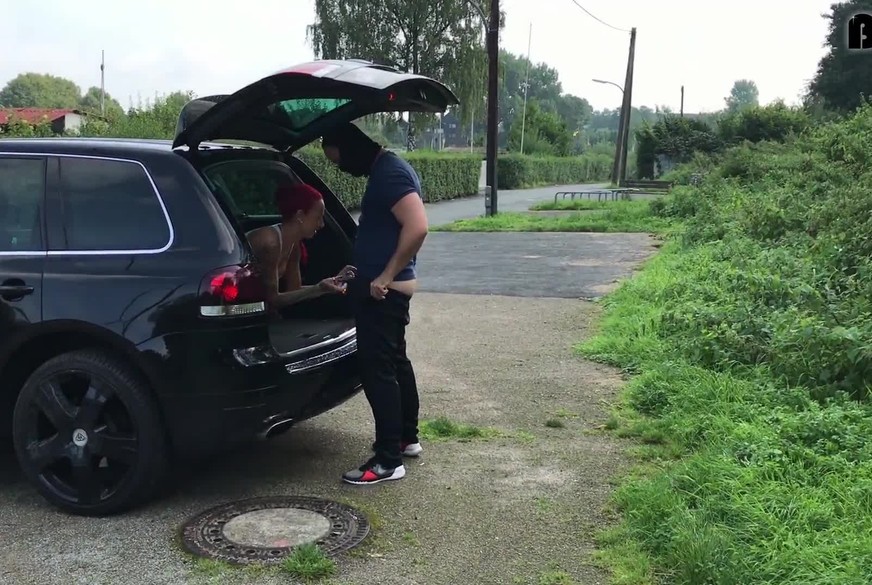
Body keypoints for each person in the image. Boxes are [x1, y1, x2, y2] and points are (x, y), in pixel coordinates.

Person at [321, 123, 429, 486]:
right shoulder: (387, 170)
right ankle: (405, 439)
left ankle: (387, 461)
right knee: (395, 363)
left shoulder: (390, 174)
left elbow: (418, 226)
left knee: (378, 371)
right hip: (386, 290)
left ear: (350, 149)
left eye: (338, 160)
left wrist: (384, 276)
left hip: (385, 293)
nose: (341, 169)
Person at [246, 181, 352, 308]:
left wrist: (332, 283)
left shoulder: (293, 245)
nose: (322, 224)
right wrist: (319, 288)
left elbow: (294, 290)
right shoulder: (271, 242)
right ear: (300, 216)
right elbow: (272, 299)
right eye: (318, 217)